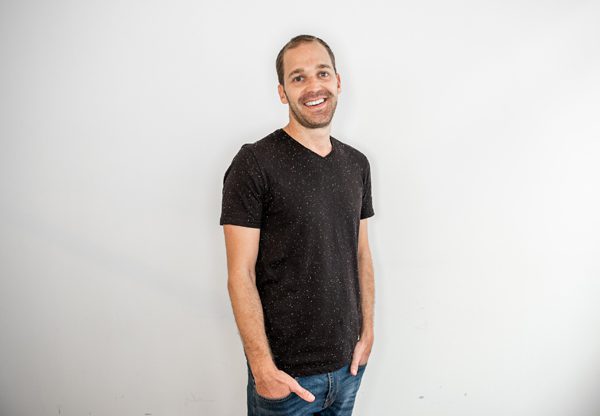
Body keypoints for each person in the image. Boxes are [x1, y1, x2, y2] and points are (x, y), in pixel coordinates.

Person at [219, 34, 376, 416]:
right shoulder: (254, 163)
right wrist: (263, 369)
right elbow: (240, 274)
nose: (313, 86)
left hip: (349, 367)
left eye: (322, 73)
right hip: (286, 378)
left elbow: (360, 253)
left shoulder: (356, 164)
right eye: (298, 77)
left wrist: (368, 332)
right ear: (282, 92)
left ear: (338, 81)